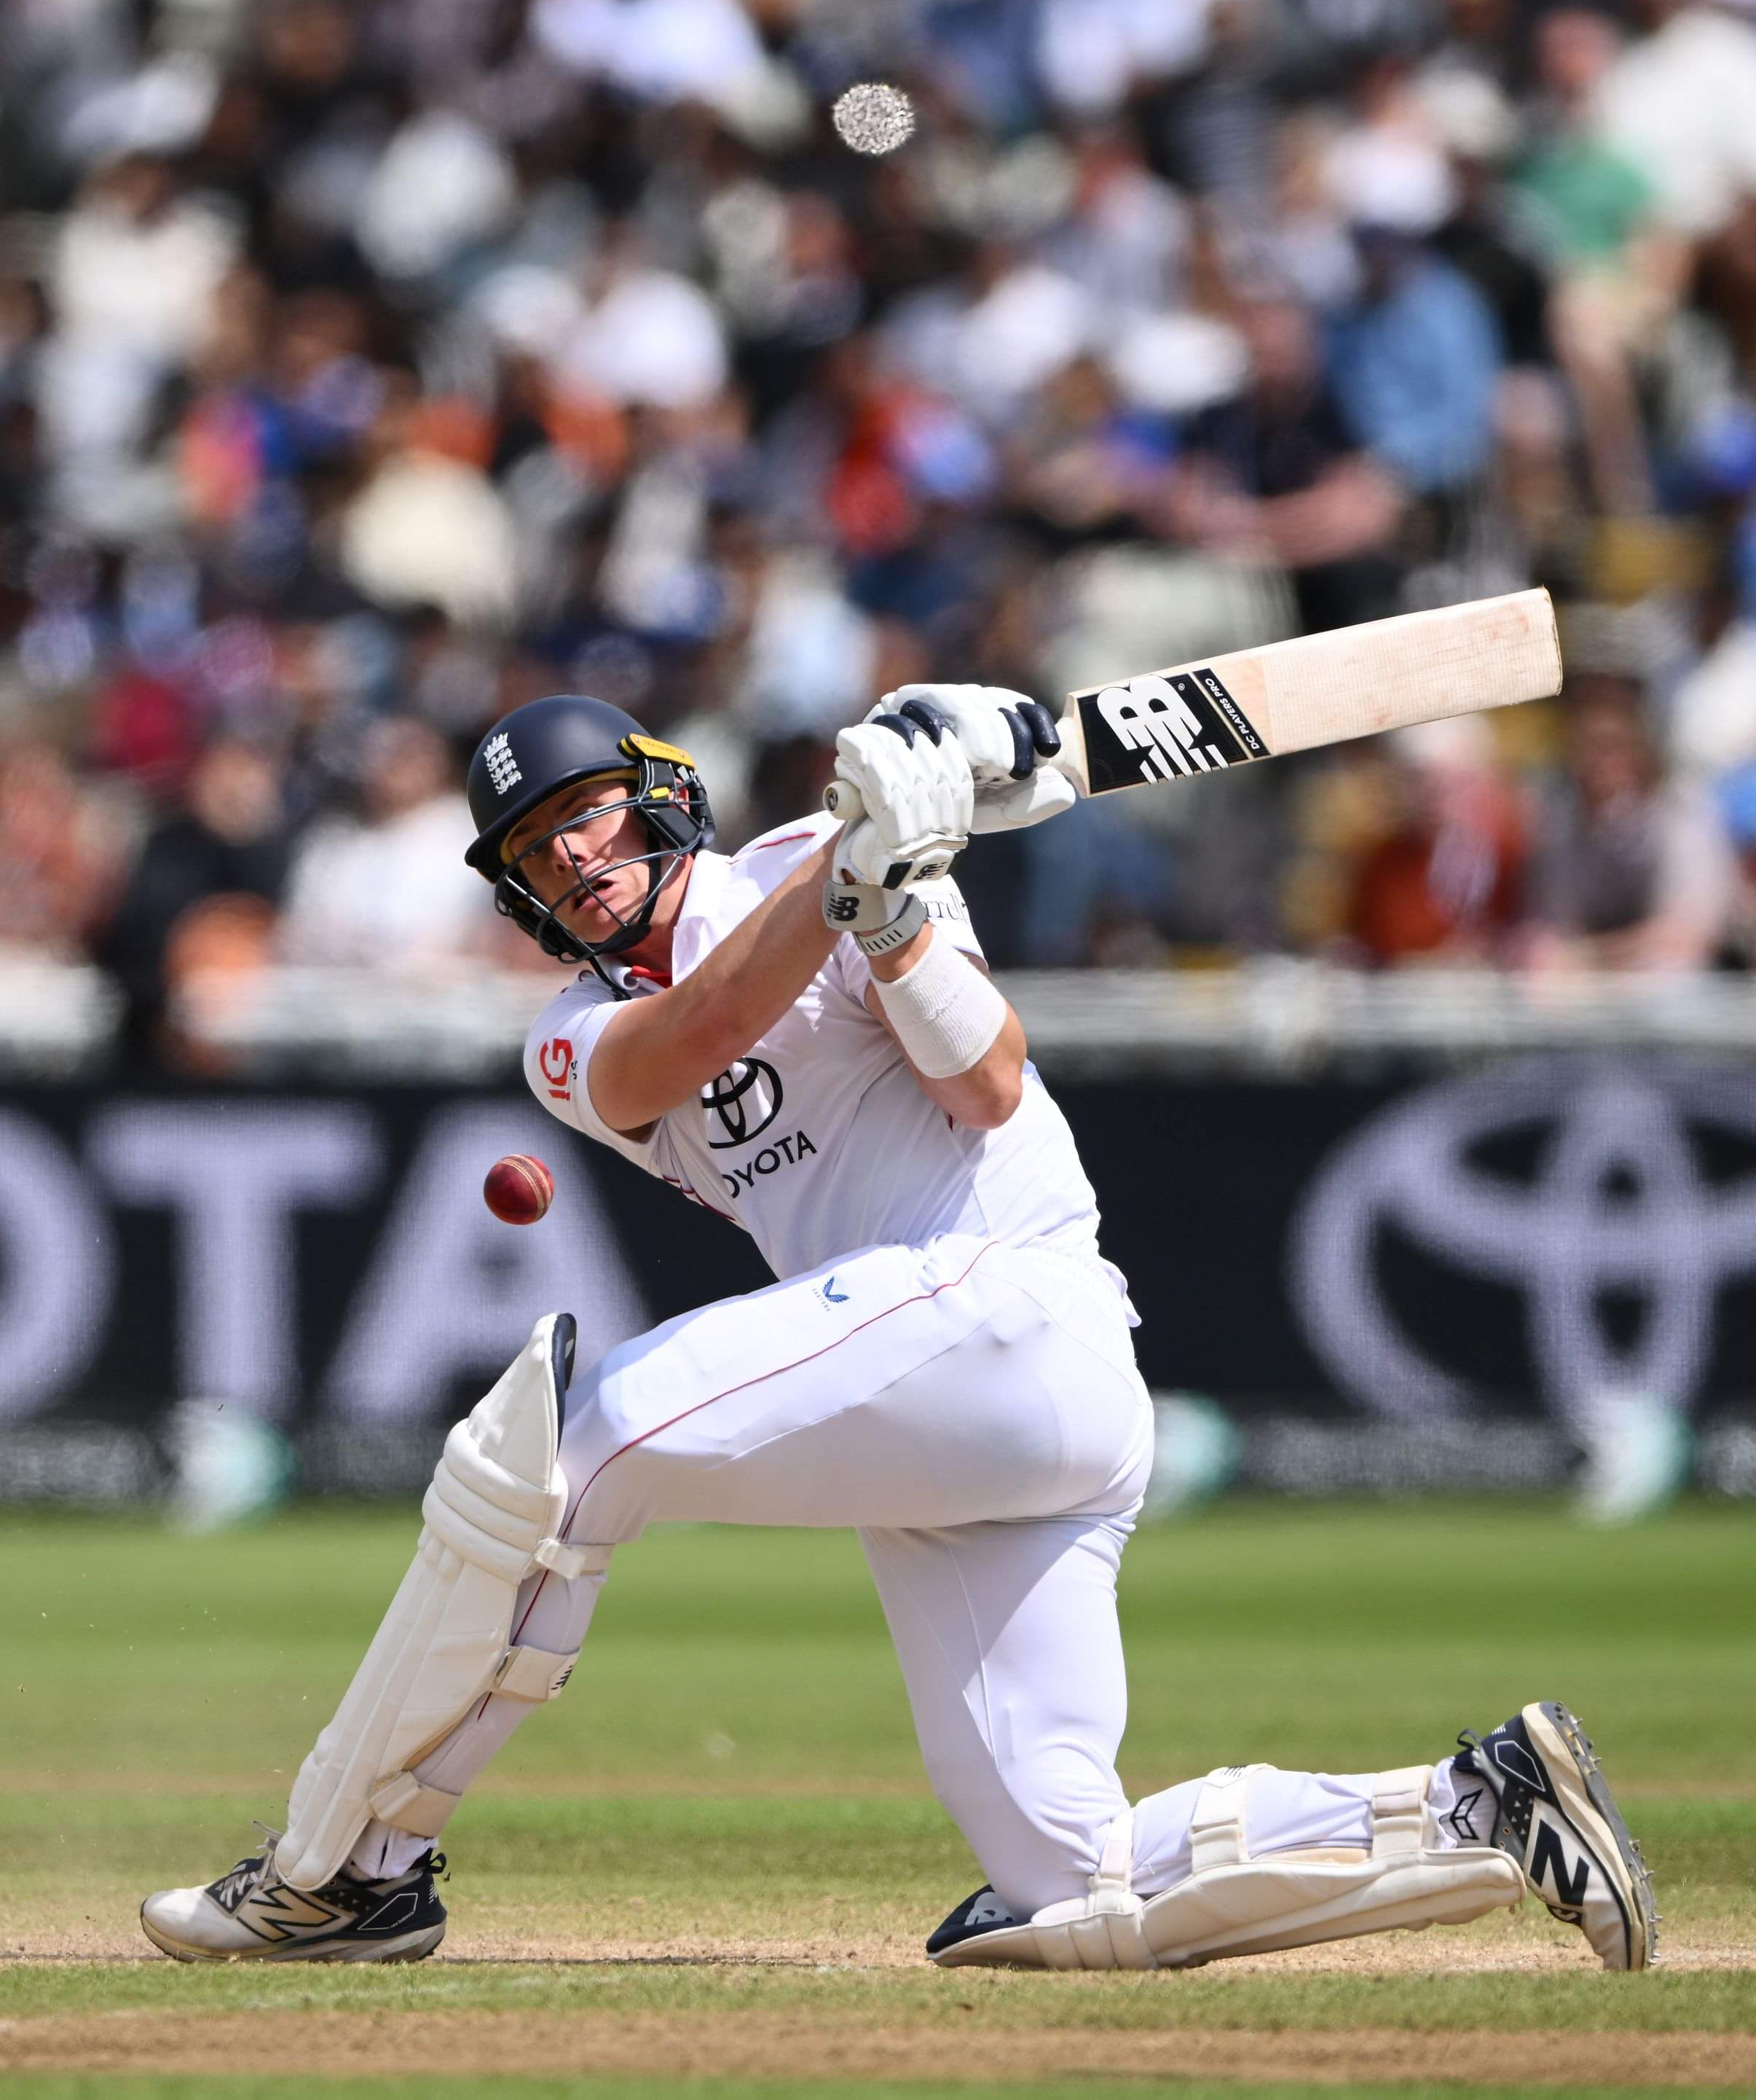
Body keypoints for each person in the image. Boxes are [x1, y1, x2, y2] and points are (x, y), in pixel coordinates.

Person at [137, 693, 1656, 1971]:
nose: (575, 859)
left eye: (588, 816)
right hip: (934, 1409)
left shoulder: (812, 855)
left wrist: (890, 898)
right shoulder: (568, 1038)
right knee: (1069, 1888)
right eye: (537, 850)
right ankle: (1487, 1804)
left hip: (1010, 1302)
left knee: (577, 1440)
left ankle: (347, 1870)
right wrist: (859, 873)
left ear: (662, 801)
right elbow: (692, 1038)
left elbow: (986, 1086)